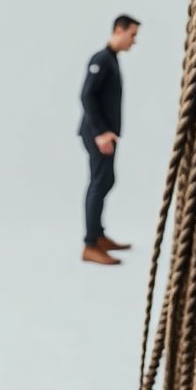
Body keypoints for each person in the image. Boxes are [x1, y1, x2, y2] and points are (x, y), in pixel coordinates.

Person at [77, 14, 140, 265]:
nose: (134, 41)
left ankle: (98, 235)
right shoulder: (101, 59)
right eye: (132, 35)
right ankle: (90, 245)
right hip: (96, 134)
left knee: (105, 181)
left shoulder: (111, 59)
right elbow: (87, 96)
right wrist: (101, 132)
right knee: (99, 183)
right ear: (119, 30)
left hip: (104, 134)